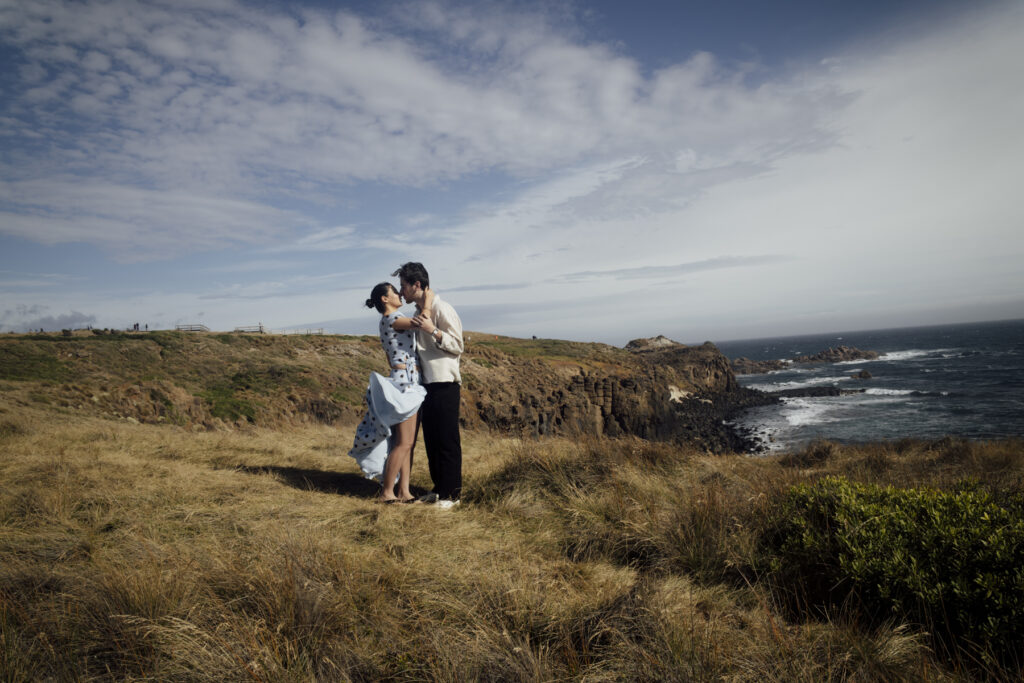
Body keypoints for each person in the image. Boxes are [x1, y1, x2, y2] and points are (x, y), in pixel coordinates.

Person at [348, 282, 433, 503]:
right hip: (405, 383)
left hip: (407, 380)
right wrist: (428, 302)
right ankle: (387, 492)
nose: (399, 294)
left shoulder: (388, 320)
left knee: (406, 442)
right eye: (394, 292)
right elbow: (422, 322)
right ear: (385, 299)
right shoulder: (392, 319)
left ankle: (404, 492)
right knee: (404, 442)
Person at [393, 262, 464, 508]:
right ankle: (439, 489)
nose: (401, 291)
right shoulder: (419, 312)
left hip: (445, 382)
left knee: (447, 440)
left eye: (403, 286)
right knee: (432, 440)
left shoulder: (442, 308)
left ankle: (452, 495)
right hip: (425, 385)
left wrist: (433, 331)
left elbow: (458, 346)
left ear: (417, 285)